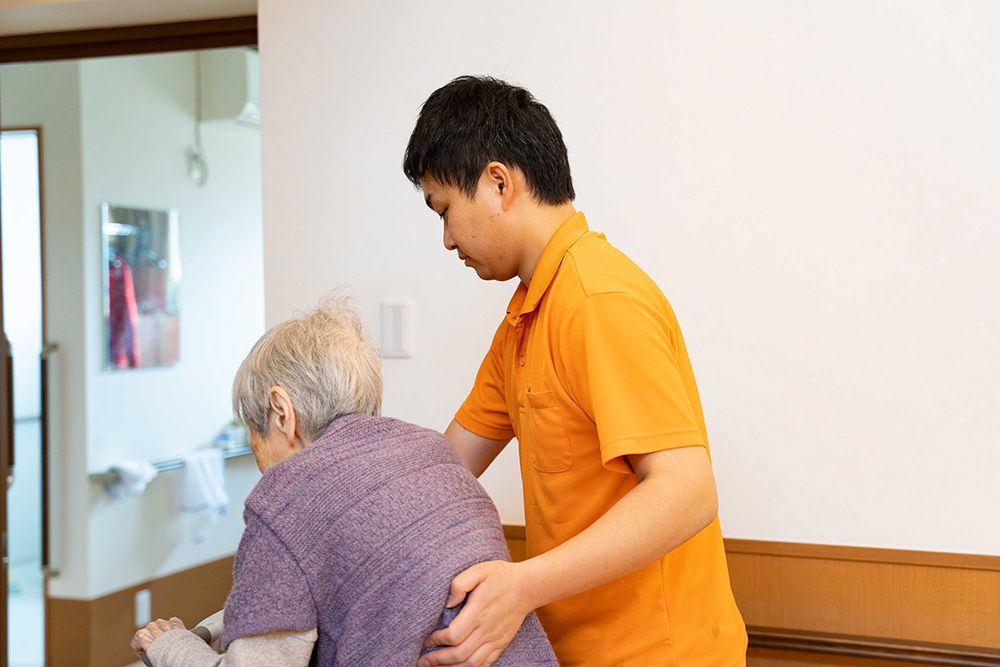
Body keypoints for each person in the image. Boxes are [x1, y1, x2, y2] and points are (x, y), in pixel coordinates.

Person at [403, 76, 748, 667]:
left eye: (446, 211)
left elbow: (688, 492)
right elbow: (445, 470)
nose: (447, 239)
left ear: (498, 182)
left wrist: (522, 586)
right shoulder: (525, 317)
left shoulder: (597, 299)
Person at [130, 301, 558, 667]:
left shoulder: (289, 497)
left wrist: (169, 647)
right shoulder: (431, 451)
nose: (256, 452)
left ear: (282, 412)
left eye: (253, 430)